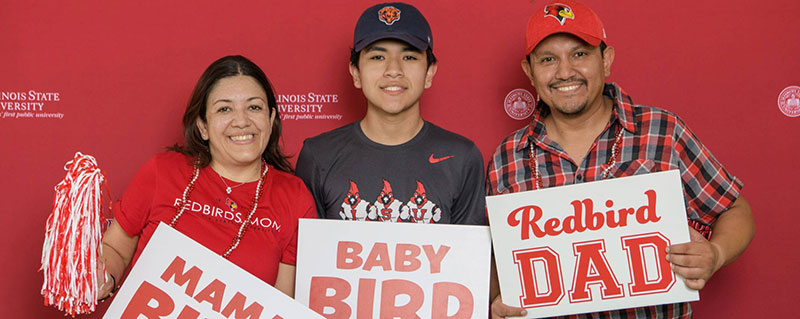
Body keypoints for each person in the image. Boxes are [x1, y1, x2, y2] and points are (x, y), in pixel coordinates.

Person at [486, 1, 755, 318]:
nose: (565, 71)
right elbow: (496, 260)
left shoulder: (662, 132)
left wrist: (716, 252)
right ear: (529, 72)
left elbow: (735, 210)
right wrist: (497, 303)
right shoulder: (508, 157)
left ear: (606, 60)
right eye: (548, 59)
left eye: (580, 54)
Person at [96, 55, 316, 300]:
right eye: (224, 109)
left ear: (271, 119)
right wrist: (104, 277)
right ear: (202, 125)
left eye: (254, 107)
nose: (241, 121)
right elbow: (116, 247)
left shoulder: (294, 196)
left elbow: (282, 303)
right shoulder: (162, 172)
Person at [295, 2, 486, 226]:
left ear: (429, 73)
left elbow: (467, 257)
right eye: (377, 57)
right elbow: (307, 255)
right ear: (355, 72)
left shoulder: (462, 157)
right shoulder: (318, 155)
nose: (393, 70)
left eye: (409, 57)